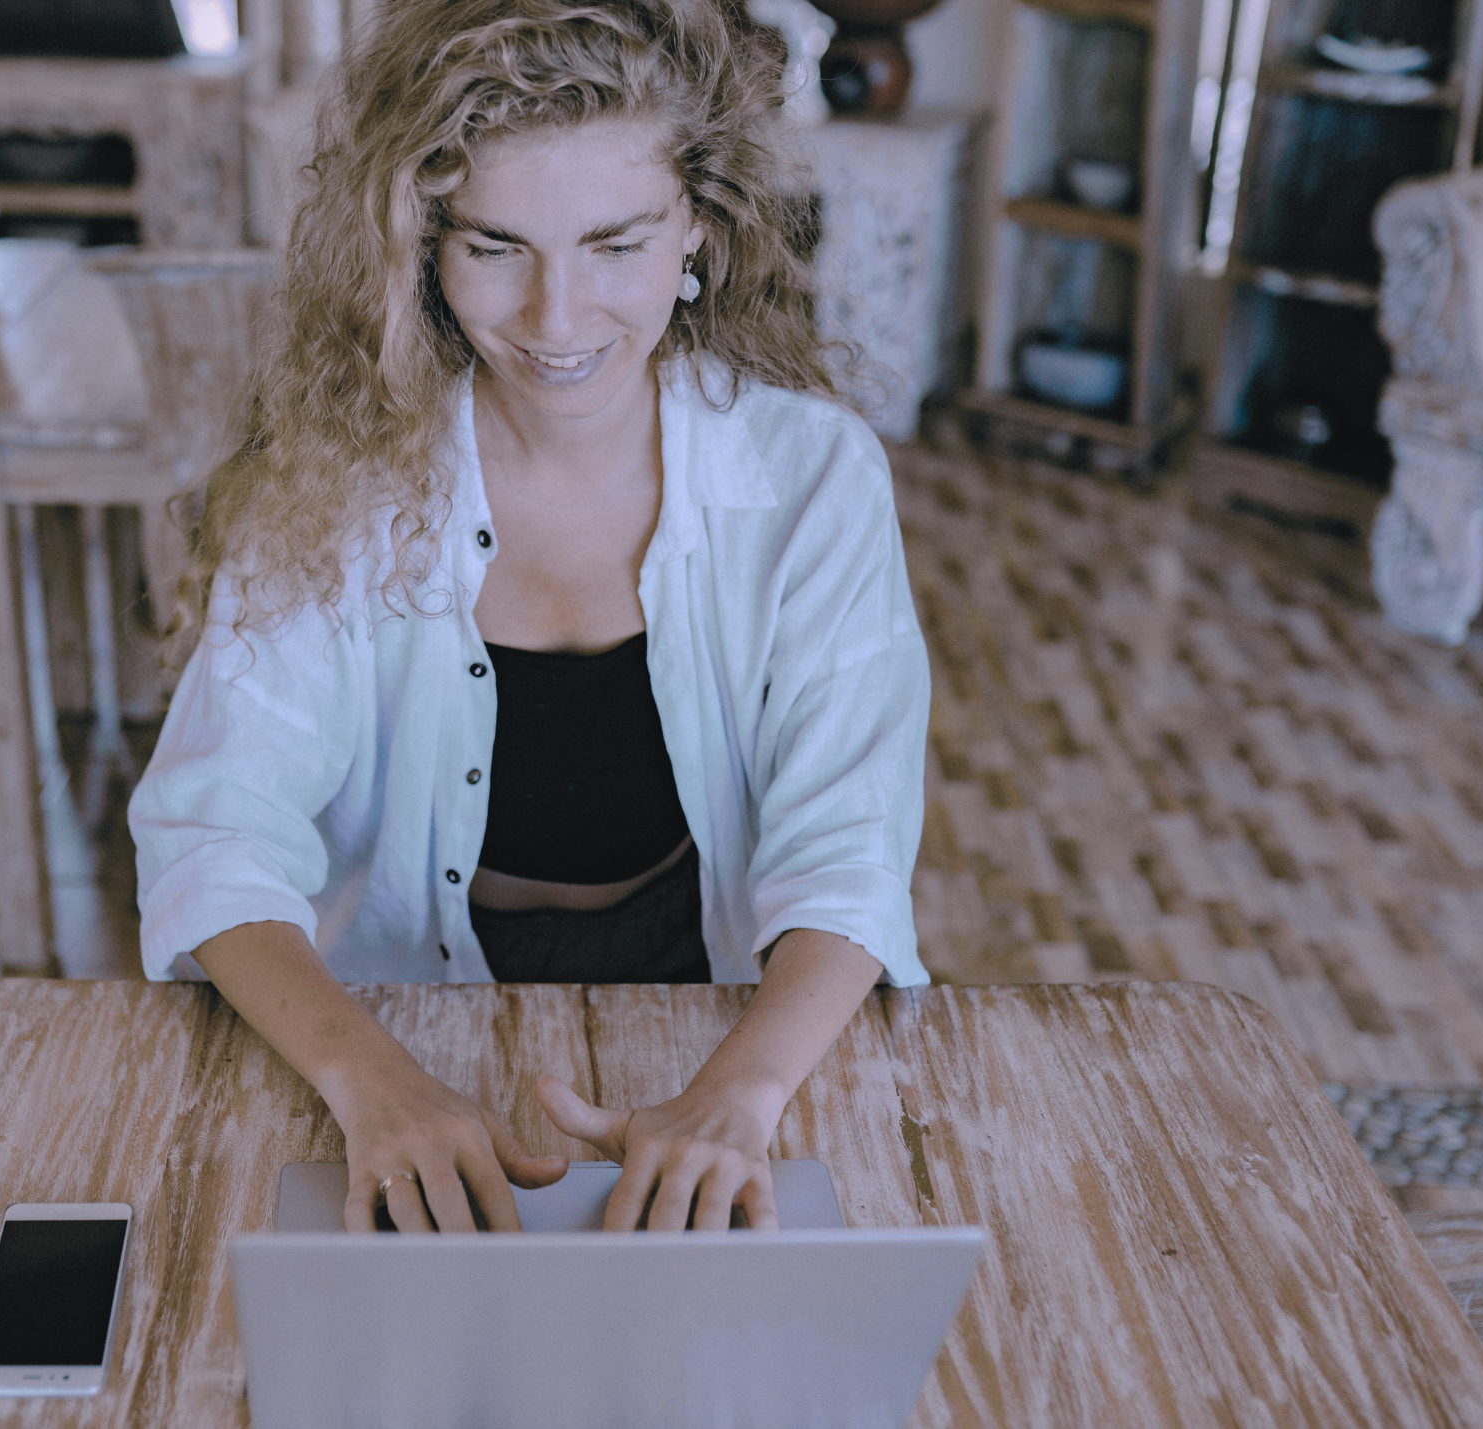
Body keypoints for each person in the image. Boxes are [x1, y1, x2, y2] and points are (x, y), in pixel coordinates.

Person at [128, 0, 930, 1236]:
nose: (558, 320)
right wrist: (372, 1081)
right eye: (497, 246)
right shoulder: (337, 478)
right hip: (390, 1010)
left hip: (720, 1003)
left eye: (615, 244)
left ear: (696, 228)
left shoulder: (814, 477)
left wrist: (737, 1095)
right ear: (422, 243)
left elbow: (848, 846)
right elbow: (212, 829)